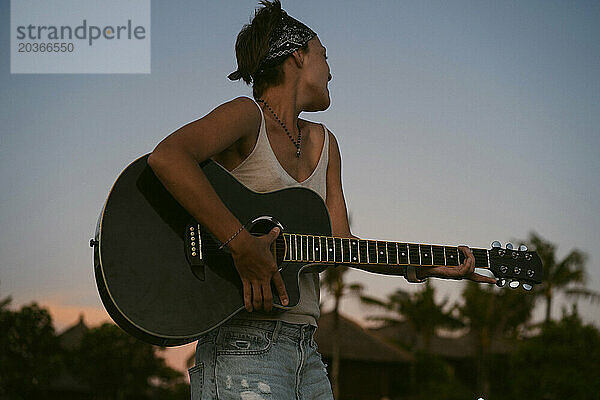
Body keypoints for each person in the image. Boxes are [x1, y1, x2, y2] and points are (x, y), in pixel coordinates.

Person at [148, 1, 496, 398]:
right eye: (324, 55)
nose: (330, 69)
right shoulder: (246, 116)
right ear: (297, 55)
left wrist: (425, 264)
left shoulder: (326, 143)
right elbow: (167, 157)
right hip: (240, 342)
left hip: (307, 353)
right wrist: (241, 244)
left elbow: (341, 248)